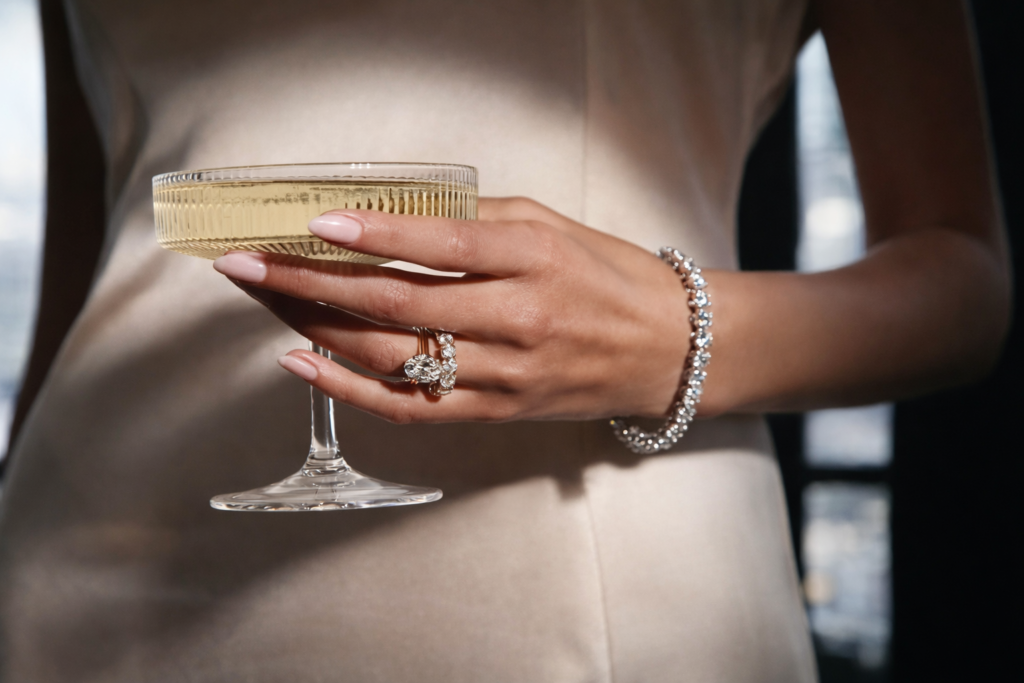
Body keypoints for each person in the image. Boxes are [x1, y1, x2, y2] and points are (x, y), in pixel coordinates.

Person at [0, 0, 1009, 680]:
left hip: (559, 553)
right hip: (88, 553)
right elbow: (102, 233)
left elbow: (961, 271)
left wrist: (669, 331)